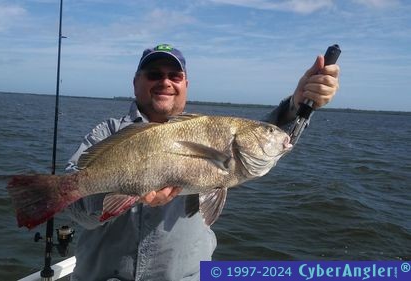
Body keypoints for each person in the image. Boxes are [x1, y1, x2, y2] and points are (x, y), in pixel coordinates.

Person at [66, 43, 340, 281]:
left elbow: (271, 131)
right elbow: (75, 209)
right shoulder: (106, 134)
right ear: (136, 81)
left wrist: (298, 103)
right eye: (154, 75)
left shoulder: (211, 131)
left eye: (175, 75)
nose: (165, 82)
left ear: (186, 84)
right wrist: (128, 195)